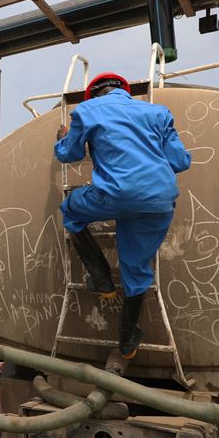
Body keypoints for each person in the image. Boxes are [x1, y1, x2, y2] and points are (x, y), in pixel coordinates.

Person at [54, 72, 191, 359]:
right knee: (136, 268)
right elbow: (180, 161)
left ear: (94, 93)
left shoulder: (87, 110)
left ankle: (101, 278)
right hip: (158, 200)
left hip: (114, 195)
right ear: (125, 92)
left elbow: (69, 154)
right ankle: (128, 340)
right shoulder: (158, 113)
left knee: (71, 209)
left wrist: (61, 140)